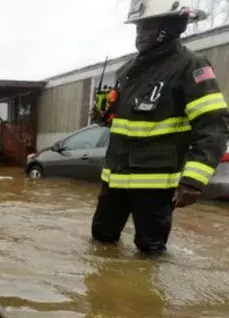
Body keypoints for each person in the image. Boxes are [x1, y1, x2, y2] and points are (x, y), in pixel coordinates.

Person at [91, 0, 229, 255]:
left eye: (146, 28)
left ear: (168, 28)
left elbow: (213, 126)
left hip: (153, 185)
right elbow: (124, 122)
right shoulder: (127, 70)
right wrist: (104, 115)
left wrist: (194, 181)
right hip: (114, 179)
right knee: (101, 240)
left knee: (150, 251)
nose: (139, 36)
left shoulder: (191, 66)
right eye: (137, 29)